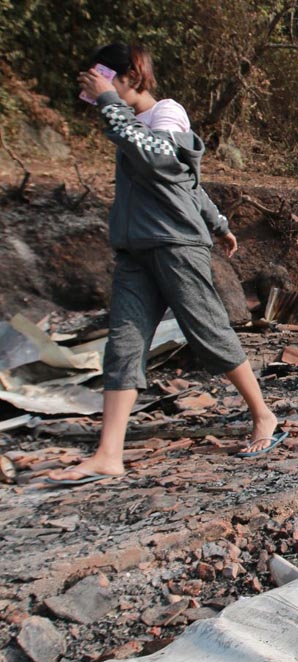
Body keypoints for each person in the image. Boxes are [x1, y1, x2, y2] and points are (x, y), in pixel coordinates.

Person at [49, 44, 280, 485]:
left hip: (175, 243)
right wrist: (219, 223)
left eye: (104, 80)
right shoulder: (129, 124)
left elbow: (161, 161)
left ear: (130, 76)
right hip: (135, 250)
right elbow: (186, 184)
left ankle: (263, 415)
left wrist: (109, 102)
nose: (99, 91)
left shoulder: (167, 112)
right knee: (124, 344)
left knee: (208, 330)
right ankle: (108, 453)